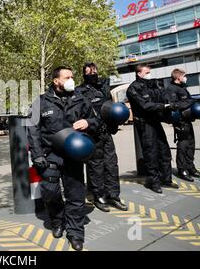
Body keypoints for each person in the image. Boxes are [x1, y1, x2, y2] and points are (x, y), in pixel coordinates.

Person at [28, 66, 99, 251]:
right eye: (67, 77)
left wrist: (88, 122)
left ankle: (75, 233)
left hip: (73, 155)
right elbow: (33, 130)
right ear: (56, 81)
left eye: (72, 77)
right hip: (49, 155)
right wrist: (36, 155)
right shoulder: (41, 102)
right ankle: (57, 220)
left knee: (76, 195)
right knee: (50, 192)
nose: (71, 80)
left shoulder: (81, 99)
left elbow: (96, 121)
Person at [75, 63, 127, 212]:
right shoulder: (79, 91)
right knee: (96, 167)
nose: (93, 74)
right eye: (89, 72)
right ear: (84, 74)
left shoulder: (103, 87)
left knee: (111, 165)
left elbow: (111, 107)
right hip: (92, 134)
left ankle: (114, 196)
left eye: (95, 71)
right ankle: (99, 196)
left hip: (106, 132)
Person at [126, 63, 179, 194]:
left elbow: (163, 95)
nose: (149, 74)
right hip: (145, 124)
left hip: (155, 121)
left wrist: (169, 102)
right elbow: (145, 105)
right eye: (147, 72)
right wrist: (164, 107)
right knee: (151, 154)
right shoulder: (133, 88)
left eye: (150, 71)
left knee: (164, 151)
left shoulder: (153, 84)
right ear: (139, 74)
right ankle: (153, 182)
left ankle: (166, 179)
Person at [166, 68, 200, 182]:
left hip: (188, 120)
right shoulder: (171, 89)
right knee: (183, 146)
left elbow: (187, 101)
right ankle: (182, 170)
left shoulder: (182, 87)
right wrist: (190, 101)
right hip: (180, 121)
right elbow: (174, 105)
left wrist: (190, 102)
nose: (185, 77)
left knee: (191, 144)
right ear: (178, 77)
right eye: (184, 76)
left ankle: (191, 168)